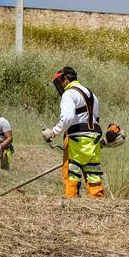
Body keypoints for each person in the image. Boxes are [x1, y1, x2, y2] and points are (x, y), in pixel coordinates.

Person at [40, 67, 105, 198]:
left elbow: (68, 118)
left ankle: (71, 204)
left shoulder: (69, 94)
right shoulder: (92, 94)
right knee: (93, 176)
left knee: (71, 175)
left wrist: (53, 132)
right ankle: (98, 203)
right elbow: (95, 119)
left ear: (65, 79)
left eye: (60, 81)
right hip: (94, 139)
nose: (60, 85)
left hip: (76, 139)